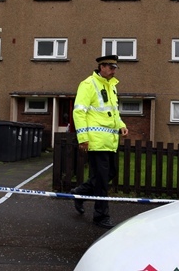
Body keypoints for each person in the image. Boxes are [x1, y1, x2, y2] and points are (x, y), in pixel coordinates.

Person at [69, 55, 128, 229]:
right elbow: (79, 112)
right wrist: (83, 138)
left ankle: (79, 193)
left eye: (115, 67)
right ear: (101, 67)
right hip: (95, 141)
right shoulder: (88, 84)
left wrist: (122, 125)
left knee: (109, 174)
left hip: (110, 141)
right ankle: (101, 216)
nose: (113, 70)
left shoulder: (112, 86)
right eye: (111, 67)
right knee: (102, 180)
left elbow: (113, 112)